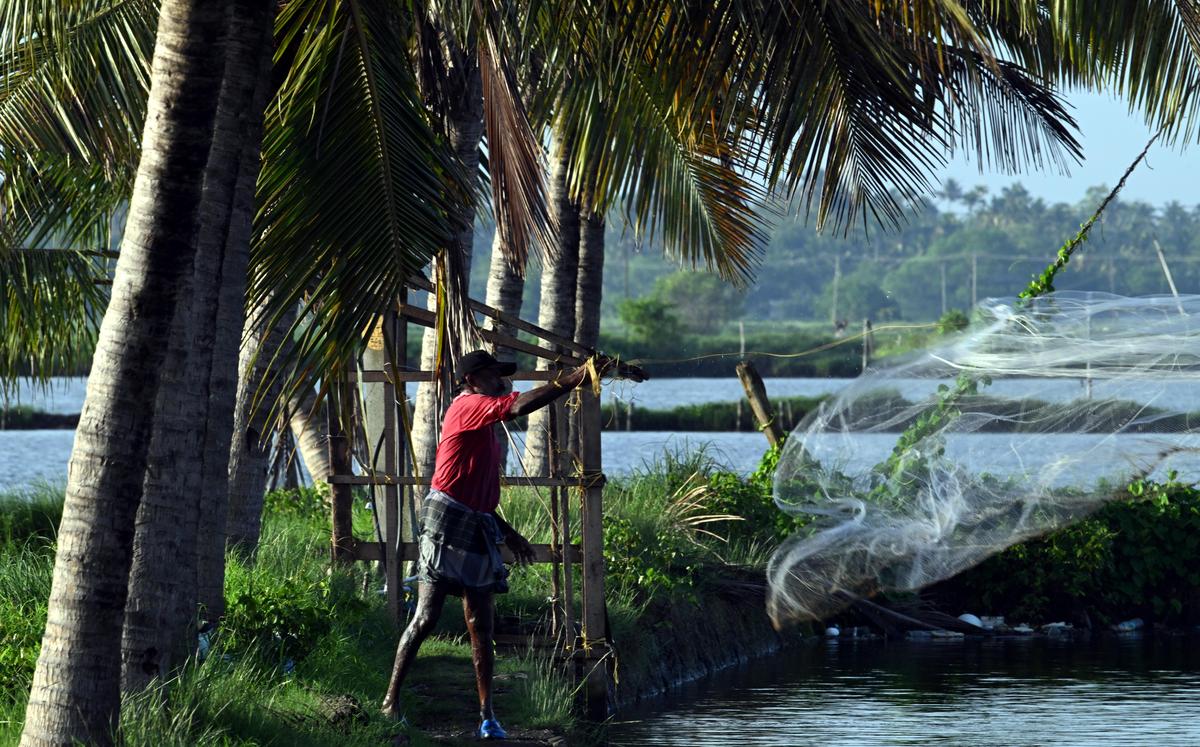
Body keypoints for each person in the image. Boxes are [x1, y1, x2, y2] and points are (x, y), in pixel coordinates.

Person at [381, 349, 603, 739]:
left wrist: (508, 531)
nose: (500, 379)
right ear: (472, 381)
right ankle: (390, 701)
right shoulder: (467, 406)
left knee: (481, 624)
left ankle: (488, 716)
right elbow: (518, 407)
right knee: (427, 616)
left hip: (478, 521)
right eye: (492, 375)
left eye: (500, 374)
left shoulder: (483, 421)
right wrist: (569, 380)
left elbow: (478, 493)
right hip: (447, 520)